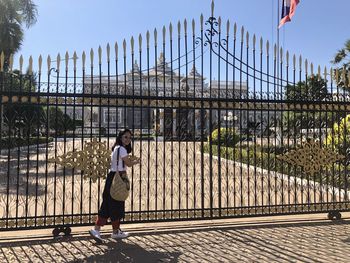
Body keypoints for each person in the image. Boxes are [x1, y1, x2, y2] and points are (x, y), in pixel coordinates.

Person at [89, 129, 140, 242]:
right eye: (125, 137)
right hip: (118, 178)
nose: (128, 139)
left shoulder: (116, 148)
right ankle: (114, 232)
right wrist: (136, 162)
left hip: (111, 177)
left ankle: (99, 230)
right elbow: (128, 164)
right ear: (120, 137)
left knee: (107, 203)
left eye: (129, 137)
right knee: (116, 203)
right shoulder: (121, 149)